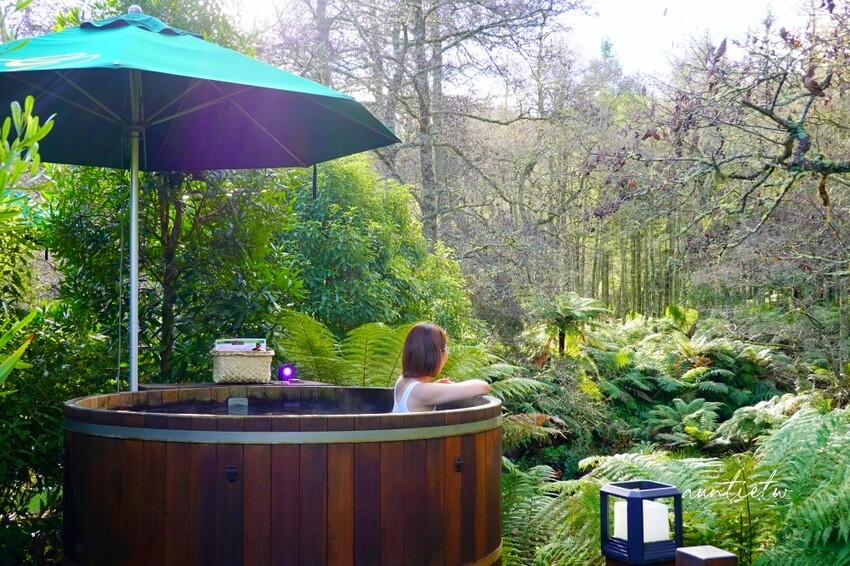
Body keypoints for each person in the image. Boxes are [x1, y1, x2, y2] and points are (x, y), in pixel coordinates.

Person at [391, 322, 491, 413]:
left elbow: (417, 394)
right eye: (446, 349)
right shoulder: (421, 392)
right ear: (437, 355)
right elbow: (483, 386)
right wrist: (449, 386)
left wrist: (435, 387)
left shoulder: (402, 381)